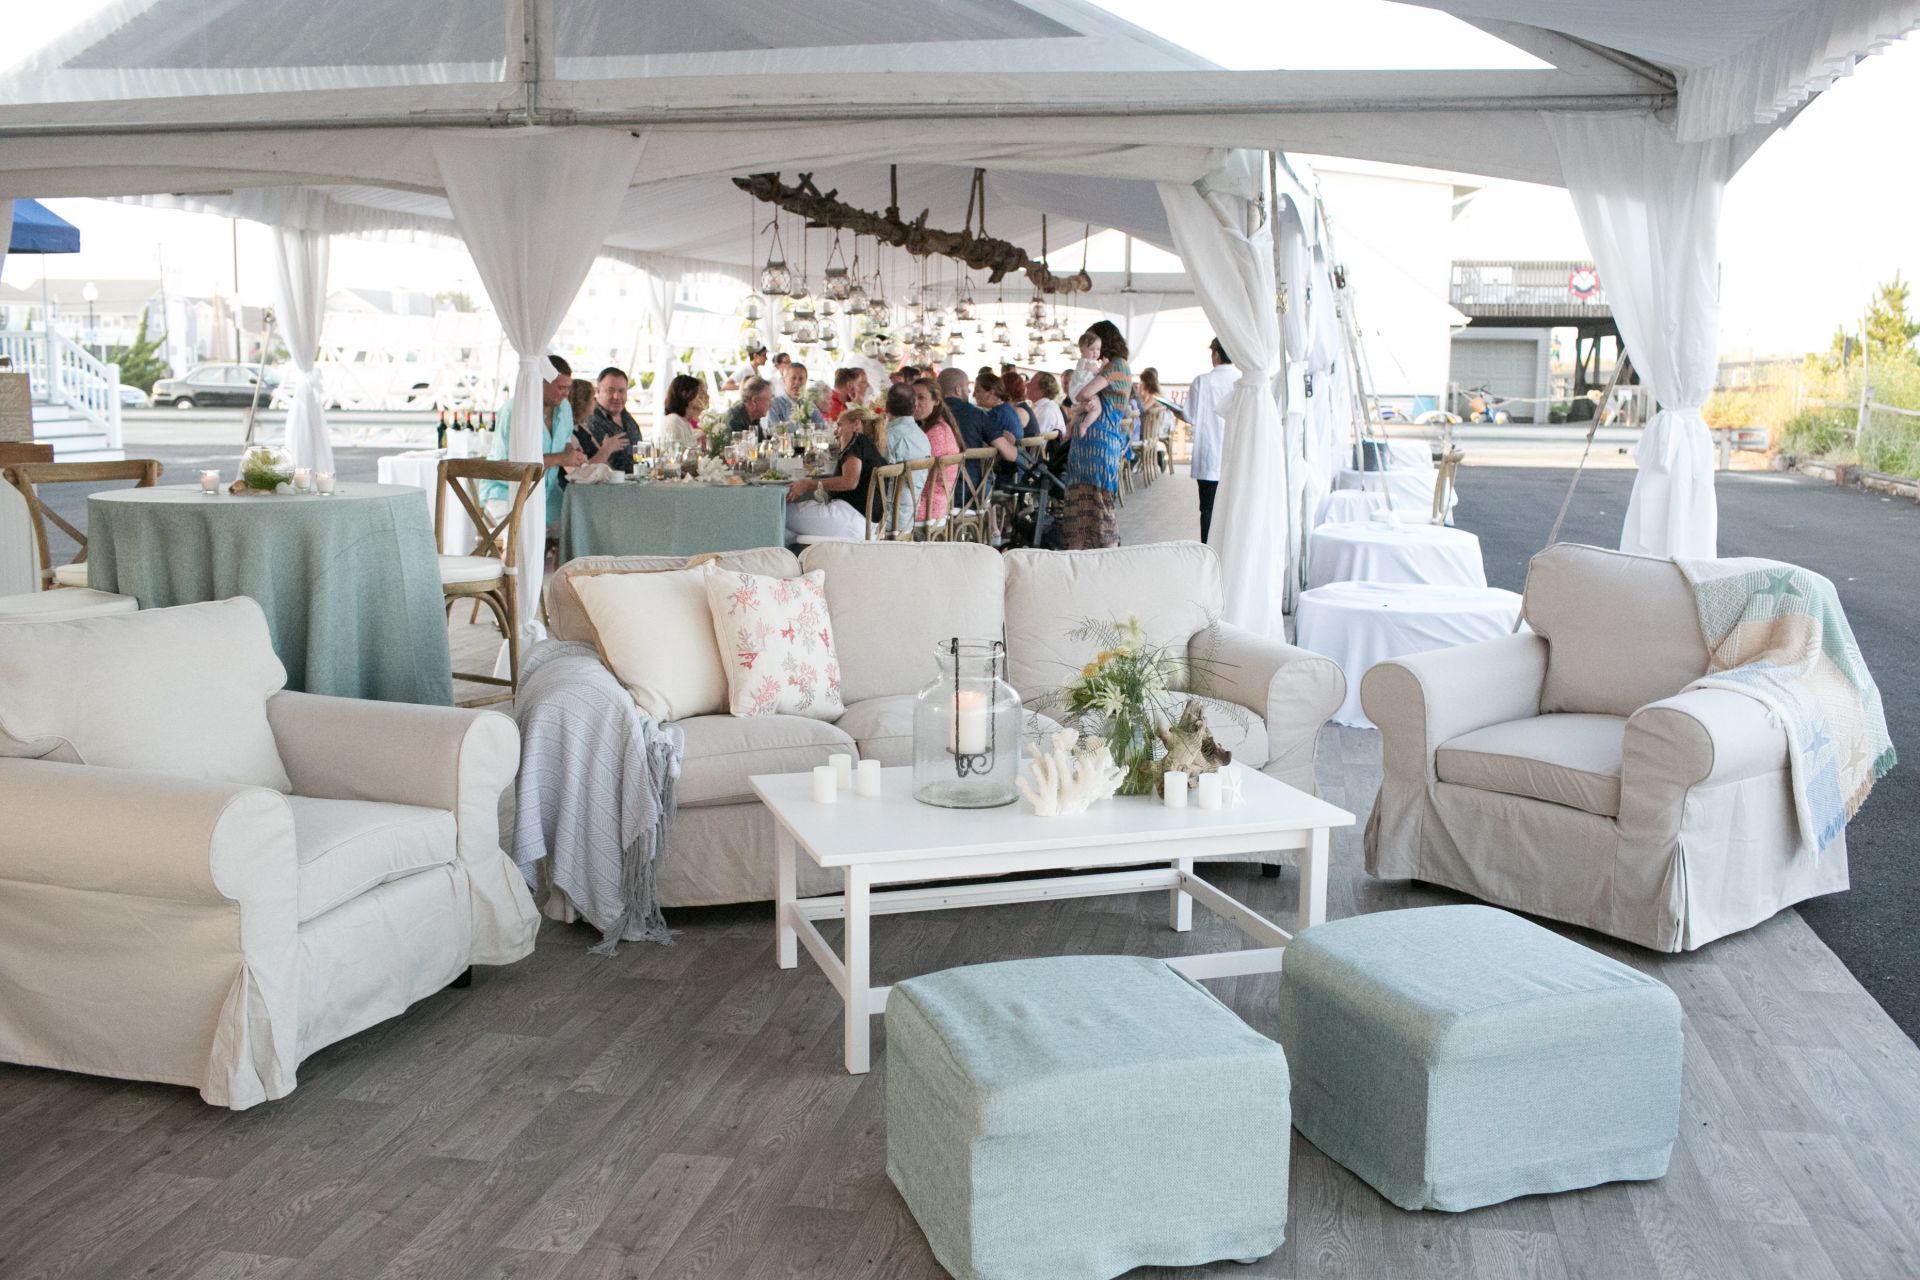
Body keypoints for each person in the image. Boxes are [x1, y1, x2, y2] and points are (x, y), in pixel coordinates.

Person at [484, 353, 585, 525]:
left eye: (568, 388)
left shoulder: (564, 407)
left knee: (580, 523)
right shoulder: (515, 410)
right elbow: (508, 465)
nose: (566, 394)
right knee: (525, 537)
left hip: (548, 493)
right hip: (508, 493)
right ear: (541, 381)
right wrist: (560, 459)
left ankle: (559, 553)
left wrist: (572, 454)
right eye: (561, 388)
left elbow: (565, 440)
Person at [1061, 321, 1133, 549]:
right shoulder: (1116, 366)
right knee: (1090, 499)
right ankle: (1083, 555)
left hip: (1098, 440)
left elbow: (1083, 393)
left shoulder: (1116, 367)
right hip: (1096, 441)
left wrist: (1084, 393)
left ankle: (1104, 553)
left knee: (1096, 499)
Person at [786, 404, 887, 540]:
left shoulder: (854, 438)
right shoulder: (873, 450)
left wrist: (806, 484)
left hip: (847, 518)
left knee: (779, 514)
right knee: (790, 532)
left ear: (856, 424)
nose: (835, 432)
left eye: (839, 426)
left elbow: (850, 481)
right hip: (867, 526)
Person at [1185, 337, 1240, 543]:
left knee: (1208, 510)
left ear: (1216, 354)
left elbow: (1189, 415)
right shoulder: (1242, 381)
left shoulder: (1202, 381)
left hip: (1208, 455)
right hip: (1233, 455)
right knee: (1231, 509)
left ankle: (1208, 555)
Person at [880, 381, 930, 531]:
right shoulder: (923, 437)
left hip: (886, 518)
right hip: (910, 516)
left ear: (886, 407)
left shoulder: (887, 438)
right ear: (915, 408)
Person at [912, 376, 962, 524]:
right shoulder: (939, 426)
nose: (915, 403)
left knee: (872, 508)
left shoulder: (936, 432)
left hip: (927, 505)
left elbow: (915, 474)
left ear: (937, 401)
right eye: (913, 397)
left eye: (921, 398)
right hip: (938, 502)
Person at [575, 366, 644, 473]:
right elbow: (583, 469)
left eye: (621, 391)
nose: (616, 396)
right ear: (598, 391)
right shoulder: (589, 419)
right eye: (610, 390)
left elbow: (640, 453)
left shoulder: (627, 416)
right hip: (606, 486)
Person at [769, 360, 825, 430]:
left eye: (801, 379)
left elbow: (822, 427)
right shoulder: (774, 405)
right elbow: (774, 431)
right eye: (793, 378)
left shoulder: (809, 405)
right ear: (784, 380)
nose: (797, 382)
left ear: (805, 382)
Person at [657, 374, 706, 450]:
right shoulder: (673, 421)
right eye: (697, 392)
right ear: (685, 394)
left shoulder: (684, 422)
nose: (700, 397)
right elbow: (672, 455)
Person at [1028, 370, 1067, 439]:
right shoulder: (1040, 406)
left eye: (1031, 382)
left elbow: (1035, 439)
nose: (1027, 384)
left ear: (1042, 391)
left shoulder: (1047, 409)